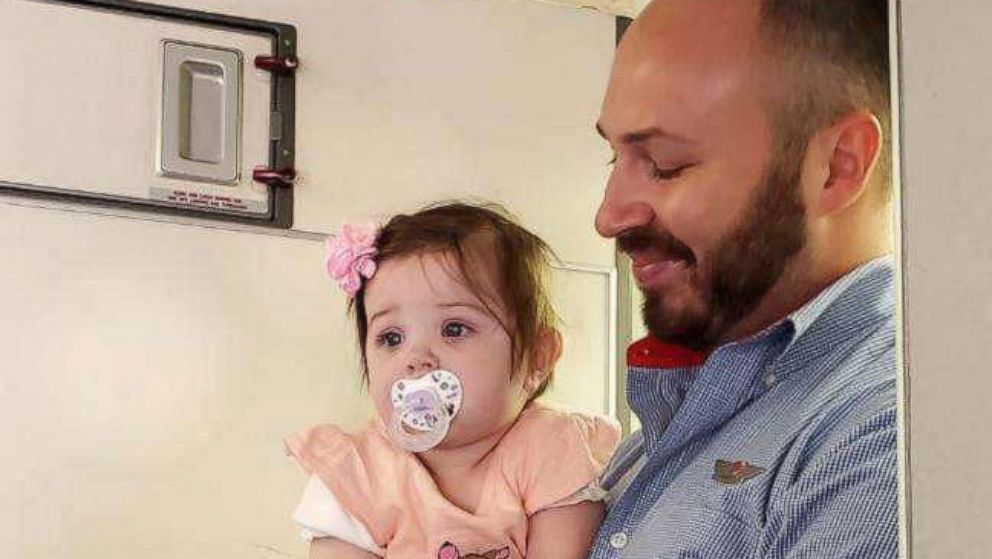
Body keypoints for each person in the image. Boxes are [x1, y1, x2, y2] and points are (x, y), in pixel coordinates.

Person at [590, 0, 898, 557]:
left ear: (838, 165)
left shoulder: (882, 436)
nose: (608, 216)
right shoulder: (656, 441)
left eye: (664, 164)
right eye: (614, 160)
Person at [285, 203, 621, 559]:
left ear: (536, 358)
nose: (416, 359)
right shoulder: (356, 473)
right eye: (392, 338)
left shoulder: (552, 448)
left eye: (454, 329)